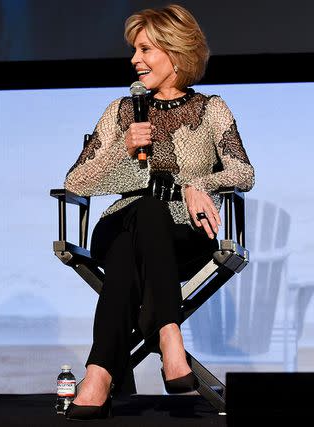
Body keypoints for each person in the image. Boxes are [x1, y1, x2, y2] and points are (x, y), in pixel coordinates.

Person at [62, 4, 254, 420]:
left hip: (185, 235)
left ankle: (97, 374)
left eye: (146, 49)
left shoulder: (212, 108)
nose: (135, 60)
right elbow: (76, 181)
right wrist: (122, 149)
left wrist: (198, 185)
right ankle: (169, 334)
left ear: (176, 52)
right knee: (146, 211)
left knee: (134, 250)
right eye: (135, 50)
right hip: (118, 224)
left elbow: (244, 171)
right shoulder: (120, 111)